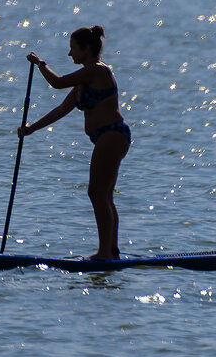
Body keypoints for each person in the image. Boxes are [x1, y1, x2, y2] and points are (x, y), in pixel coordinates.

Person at [17, 25, 131, 260]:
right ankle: (111, 252)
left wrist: (40, 63)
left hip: (112, 134)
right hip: (107, 137)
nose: (70, 55)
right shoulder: (84, 79)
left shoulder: (98, 71)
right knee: (104, 195)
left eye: (72, 49)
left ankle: (104, 254)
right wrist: (31, 129)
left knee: (97, 193)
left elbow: (57, 83)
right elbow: (62, 109)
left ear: (86, 49)